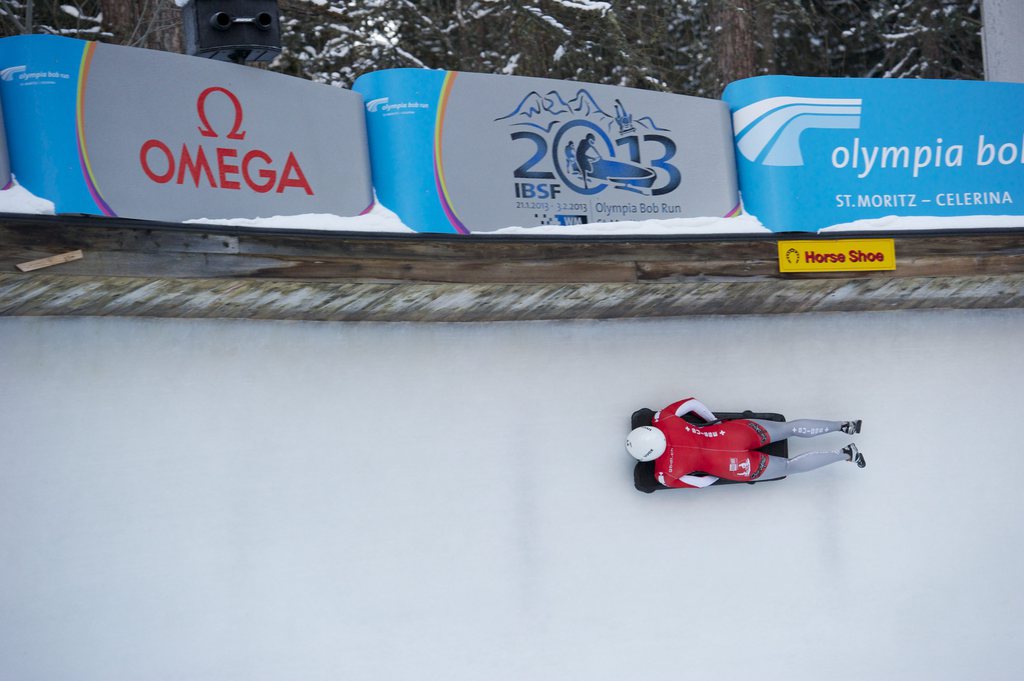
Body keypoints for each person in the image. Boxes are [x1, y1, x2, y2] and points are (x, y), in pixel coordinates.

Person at [626, 397, 864, 489]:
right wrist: (712, 422)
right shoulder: (663, 419)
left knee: (789, 467)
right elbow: (692, 403)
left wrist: (712, 471)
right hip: (732, 433)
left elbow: (704, 483)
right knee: (788, 428)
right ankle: (844, 425)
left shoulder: (664, 475)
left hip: (732, 465)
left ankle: (845, 454)